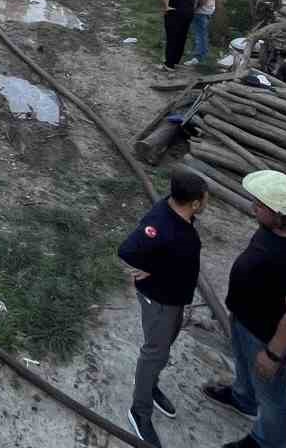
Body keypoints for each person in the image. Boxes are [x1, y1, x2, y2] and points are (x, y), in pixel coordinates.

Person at [204, 171, 286, 448]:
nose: (254, 208)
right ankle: (243, 398)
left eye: (260, 206)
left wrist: (272, 355)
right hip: (244, 321)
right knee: (245, 369)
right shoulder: (272, 229)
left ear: (280, 214)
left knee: (271, 397)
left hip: (266, 337)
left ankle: (267, 441)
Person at [118, 169, 209, 446]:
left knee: (165, 345)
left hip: (174, 298)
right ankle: (139, 410)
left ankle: (151, 385)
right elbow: (127, 251)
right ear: (194, 203)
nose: (207, 203)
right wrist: (149, 269)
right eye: (205, 199)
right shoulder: (161, 225)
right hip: (159, 301)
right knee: (154, 352)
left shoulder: (178, 213)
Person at [159, 0, 199, 73]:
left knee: (172, 37)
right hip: (188, 11)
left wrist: (166, 7)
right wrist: (193, 8)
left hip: (175, 11)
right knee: (182, 37)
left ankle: (169, 64)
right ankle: (176, 61)